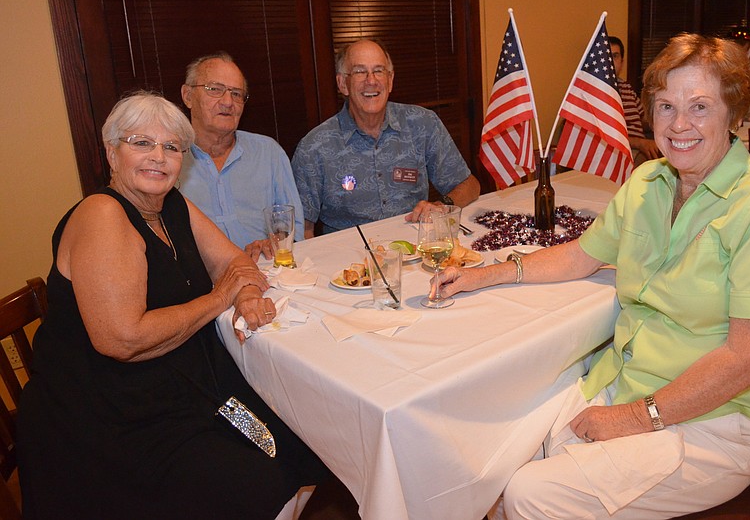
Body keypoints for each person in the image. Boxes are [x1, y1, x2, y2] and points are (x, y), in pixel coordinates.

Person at [434, 34, 750, 518]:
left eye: (699, 107)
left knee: (530, 494)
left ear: (733, 114)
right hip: (627, 379)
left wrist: (632, 418)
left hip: (717, 422)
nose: (679, 125)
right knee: (489, 465)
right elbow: (582, 256)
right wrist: (487, 275)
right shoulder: (648, 182)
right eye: (666, 106)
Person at [17, 92, 334, 519]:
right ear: (111, 153)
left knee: (299, 443)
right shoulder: (102, 215)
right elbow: (122, 339)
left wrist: (246, 294)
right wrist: (220, 298)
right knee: (256, 479)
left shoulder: (171, 206)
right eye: (141, 143)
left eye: (171, 147)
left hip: (182, 384)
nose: (158, 156)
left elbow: (234, 263)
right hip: (108, 414)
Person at [292, 39, 480, 237]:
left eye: (378, 71)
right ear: (342, 84)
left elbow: (470, 186)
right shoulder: (314, 147)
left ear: (390, 80)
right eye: (359, 71)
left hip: (415, 246)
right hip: (349, 253)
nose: (371, 80)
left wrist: (442, 206)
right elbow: (302, 227)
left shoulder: (422, 124)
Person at [179, 52, 305, 260]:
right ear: (188, 96)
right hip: (203, 276)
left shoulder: (268, 153)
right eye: (215, 89)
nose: (228, 102)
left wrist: (275, 242)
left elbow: (293, 228)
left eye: (237, 94)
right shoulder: (169, 160)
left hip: (266, 269)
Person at [609, 36, 661, 165]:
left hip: (642, 147)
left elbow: (644, 119)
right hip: (618, 151)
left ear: (622, 61)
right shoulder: (595, 92)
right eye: (606, 56)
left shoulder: (626, 88)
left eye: (615, 56)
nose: (610, 61)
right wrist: (640, 143)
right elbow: (602, 135)